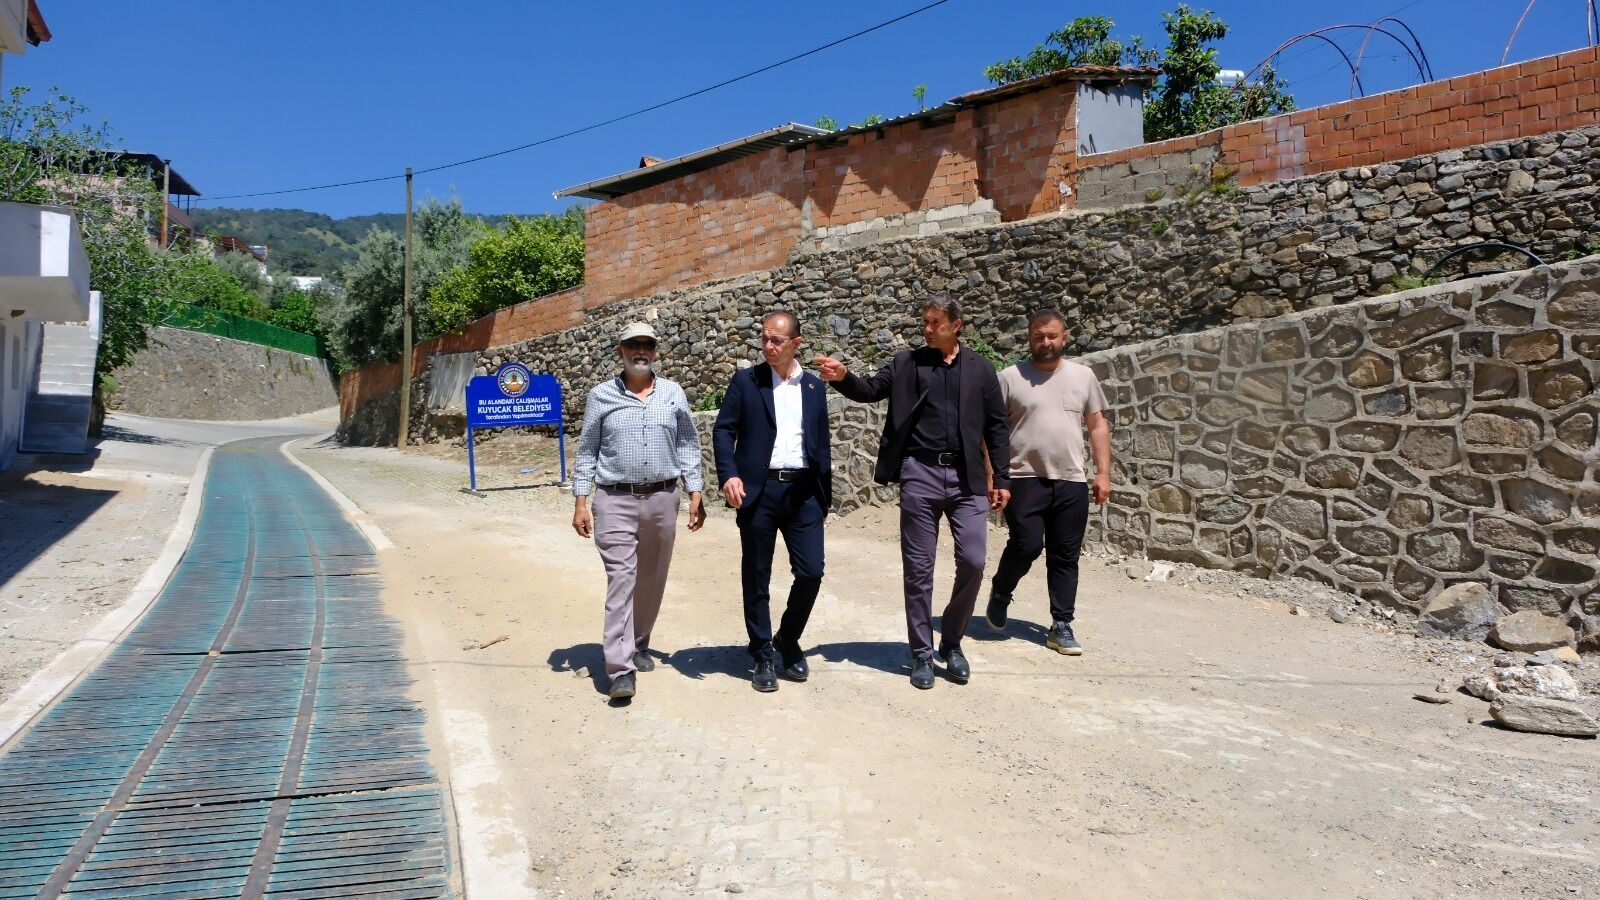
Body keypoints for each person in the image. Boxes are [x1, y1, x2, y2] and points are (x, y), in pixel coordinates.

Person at [813, 296, 1010, 690]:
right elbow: (871, 389)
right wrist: (842, 376)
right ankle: (921, 653)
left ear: (956, 325)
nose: (927, 329)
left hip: (967, 477)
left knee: (973, 560)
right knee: (919, 570)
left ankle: (951, 642)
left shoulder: (981, 370)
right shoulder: (907, 363)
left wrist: (1001, 478)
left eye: (935, 323)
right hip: (919, 473)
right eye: (925, 322)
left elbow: (997, 427)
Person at [572, 321, 706, 701]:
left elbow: (687, 444)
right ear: (621, 351)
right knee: (622, 578)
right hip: (614, 499)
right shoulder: (601, 395)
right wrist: (581, 500)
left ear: (656, 351)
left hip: (663, 498)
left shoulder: (672, 393)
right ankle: (619, 668)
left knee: (652, 575)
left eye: (647, 344)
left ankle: (639, 642)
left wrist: (695, 489)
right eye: (634, 345)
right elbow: (586, 451)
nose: (641, 350)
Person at [712, 311, 832, 692]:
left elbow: (821, 441)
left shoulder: (813, 387)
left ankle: (788, 638)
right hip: (758, 491)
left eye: (777, 340)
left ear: (797, 343)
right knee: (757, 574)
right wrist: (729, 474)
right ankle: (762, 650)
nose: (768, 346)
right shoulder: (747, 381)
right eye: (764, 338)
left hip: (803, 493)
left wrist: (823, 492)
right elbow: (723, 429)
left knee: (811, 572)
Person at [984, 309, 1112, 655]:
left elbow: (1097, 424)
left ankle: (1061, 624)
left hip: (1071, 479)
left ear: (1064, 337)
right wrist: (993, 477)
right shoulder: (1009, 378)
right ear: (1029, 338)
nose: (1045, 342)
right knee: (1025, 546)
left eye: (1052, 336)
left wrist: (1102, 473)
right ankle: (1001, 591)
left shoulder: (1083, 377)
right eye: (1039, 336)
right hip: (1023, 478)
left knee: (1065, 555)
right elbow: (991, 432)